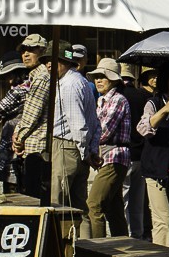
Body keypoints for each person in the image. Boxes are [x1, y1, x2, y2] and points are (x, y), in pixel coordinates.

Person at [50, 44, 101, 224]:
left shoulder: (70, 84)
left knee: (59, 203)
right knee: (79, 206)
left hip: (66, 146)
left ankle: (64, 248)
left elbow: (79, 125)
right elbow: (95, 122)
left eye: (54, 60)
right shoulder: (80, 81)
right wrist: (90, 150)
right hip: (75, 148)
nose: (49, 64)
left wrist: (85, 152)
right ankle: (82, 247)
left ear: (65, 62)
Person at [139, 63, 169, 248]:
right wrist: (165, 109)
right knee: (163, 219)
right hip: (157, 167)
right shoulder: (154, 102)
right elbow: (144, 128)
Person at [88, 57, 134, 237]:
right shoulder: (102, 100)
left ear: (113, 79)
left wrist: (88, 141)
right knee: (113, 209)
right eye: (97, 76)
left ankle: (98, 254)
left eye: (103, 77)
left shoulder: (118, 100)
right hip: (106, 156)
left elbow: (104, 131)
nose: (98, 80)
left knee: (94, 205)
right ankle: (122, 249)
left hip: (114, 156)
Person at [11, 34, 55, 202]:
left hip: (37, 144)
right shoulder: (36, 75)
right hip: (34, 142)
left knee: (34, 197)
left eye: (31, 50)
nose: (26, 54)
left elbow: (31, 114)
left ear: (43, 52)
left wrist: (19, 137)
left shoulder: (42, 76)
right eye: (23, 50)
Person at [0, 51, 29, 193]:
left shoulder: (17, 92)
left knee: (12, 181)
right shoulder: (31, 86)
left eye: (10, 74)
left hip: (14, 138)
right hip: (27, 140)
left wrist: (4, 117)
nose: (8, 79)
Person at [120, 67, 153, 239]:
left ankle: (127, 233)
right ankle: (139, 234)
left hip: (125, 152)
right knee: (138, 200)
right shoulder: (146, 98)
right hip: (142, 152)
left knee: (124, 198)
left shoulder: (118, 97)